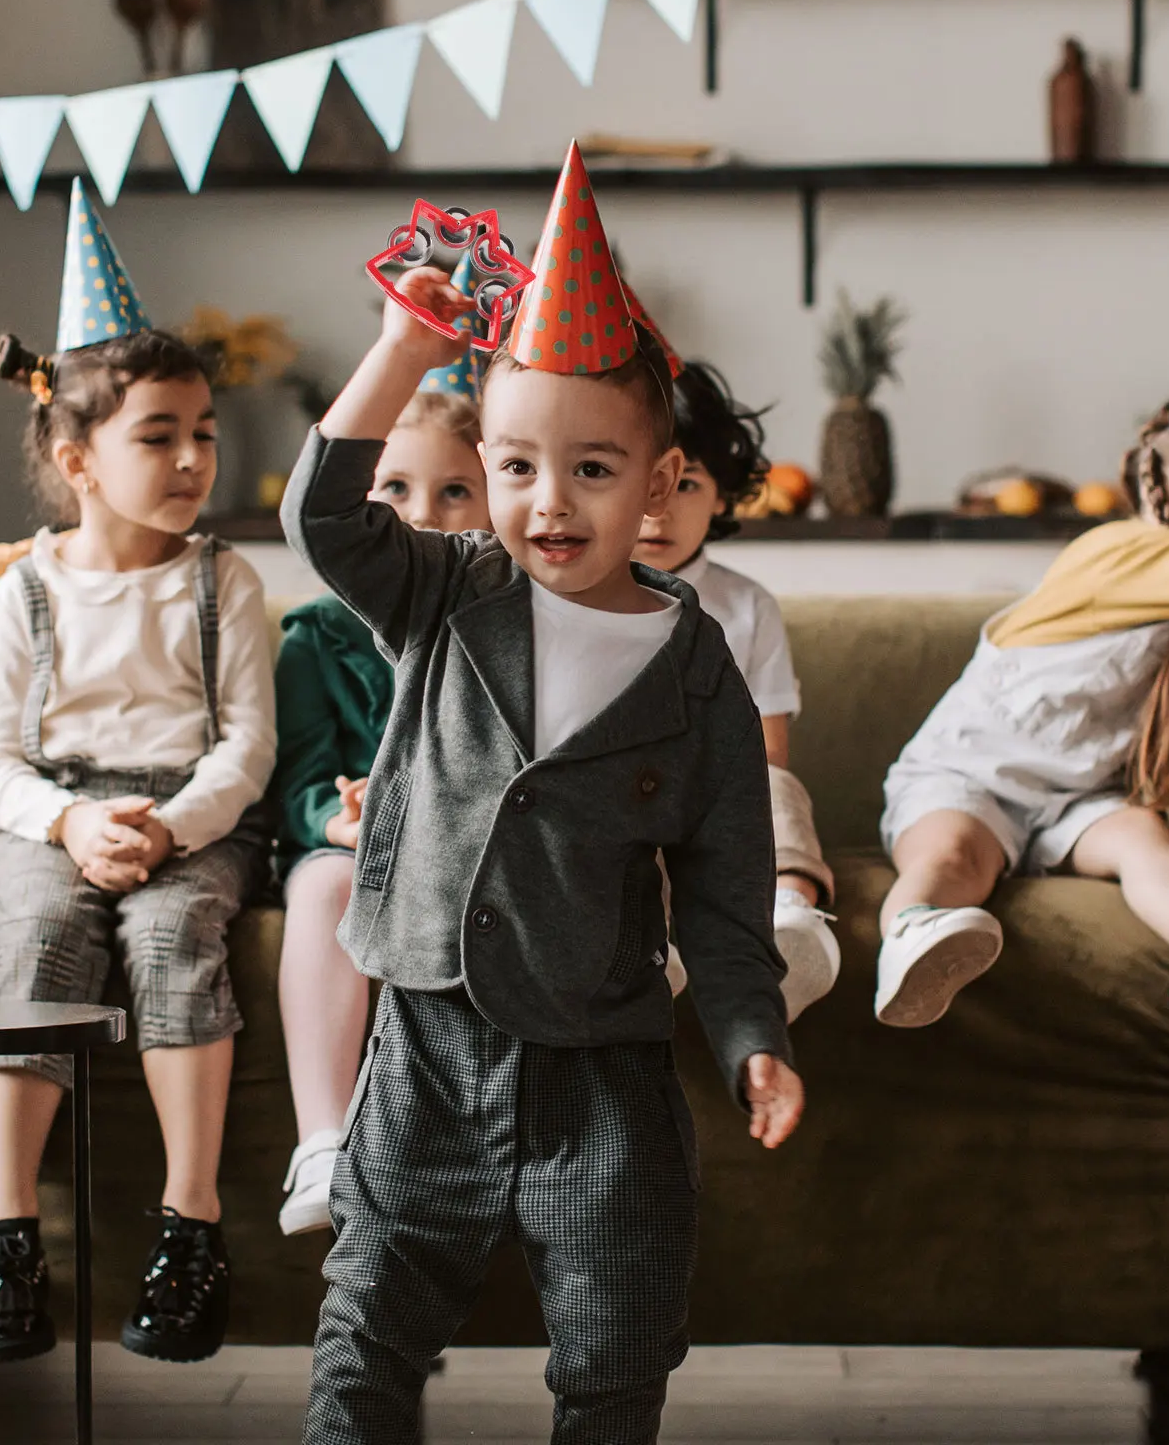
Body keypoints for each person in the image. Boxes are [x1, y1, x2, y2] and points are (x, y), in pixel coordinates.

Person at [283, 143, 804, 1444]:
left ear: (662, 479)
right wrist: (409, 349)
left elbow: (730, 894)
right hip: (422, 1048)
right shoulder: (448, 591)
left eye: (591, 470)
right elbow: (322, 518)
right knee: (365, 1328)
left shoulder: (699, 678)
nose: (546, 503)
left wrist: (753, 1039)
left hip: (602, 1062)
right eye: (514, 466)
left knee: (618, 1345)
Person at [0, 180, 275, 1365]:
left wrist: (173, 829)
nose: (194, 457)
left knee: (170, 940)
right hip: (57, 814)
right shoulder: (23, 592)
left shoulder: (224, 581)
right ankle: (5, 1228)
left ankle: (190, 1223)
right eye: (160, 436)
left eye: (203, 432)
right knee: (35, 941)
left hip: (192, 815)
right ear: (73, 456)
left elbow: (248, 744)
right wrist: (72, 825)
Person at [875, 266, 1169, 1033]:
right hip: (970, 778)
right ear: (1163, 470)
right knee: (956, 854)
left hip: (1076, 801)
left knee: (1142, 841)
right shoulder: (1119, 552)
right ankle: (914, 931)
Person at [274, 272, 490, 1237]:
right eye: (394, 490)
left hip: (467, 852)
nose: (424, 513)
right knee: (323, 886)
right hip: (355, 857)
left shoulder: (505, 621)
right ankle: (322, 1145)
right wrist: (338, 815)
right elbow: (295, 786)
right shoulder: (315, 636)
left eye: (455, 491)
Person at [625, 302, 839, 1021]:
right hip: (623, 793)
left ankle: (792, 921)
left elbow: (770, 749)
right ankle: (654, 948)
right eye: (640, 481)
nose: (658, 509)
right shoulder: (583, 595)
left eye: (684, 484)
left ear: (720, 496)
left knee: (778, 789)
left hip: (726, 794)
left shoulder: (748, 606)